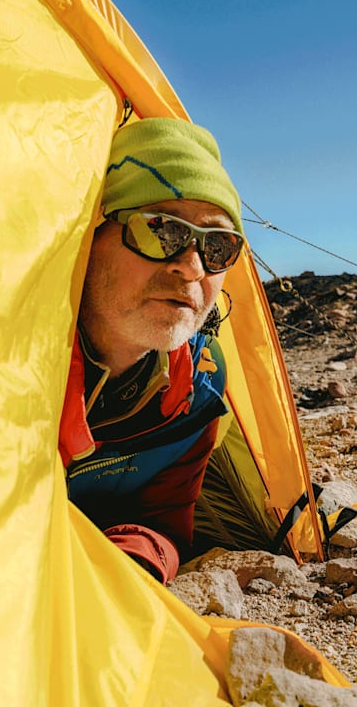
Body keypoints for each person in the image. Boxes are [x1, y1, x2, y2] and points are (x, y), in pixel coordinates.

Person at [57, 117, 247, 583]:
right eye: (160, 229)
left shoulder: (200, 387)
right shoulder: (4, 360)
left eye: (218, 245)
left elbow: (160, 519)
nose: (191, 267)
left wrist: (129, 569)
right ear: (91, 238)